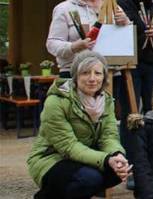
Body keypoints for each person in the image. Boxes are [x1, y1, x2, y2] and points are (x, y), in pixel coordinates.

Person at [28, 50, 131, 198]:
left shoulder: (106, 100)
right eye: (85, 73)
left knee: (117, 171)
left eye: (98, 73)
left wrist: (117, 155)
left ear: (104, 76)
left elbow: (108, 136)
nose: (92, 78)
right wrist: (106, 160)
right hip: (52, 158)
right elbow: (69, 146)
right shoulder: (56, 101)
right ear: (75, 76)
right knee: (89, 179)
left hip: (83, 157)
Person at [46, 0, 129, 77]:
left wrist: (126, 23)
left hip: (110, 74)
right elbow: (52, 44)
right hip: (75, 73)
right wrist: (74, 46)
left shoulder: (114, 7)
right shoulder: (64, 8)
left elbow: (126, 43)